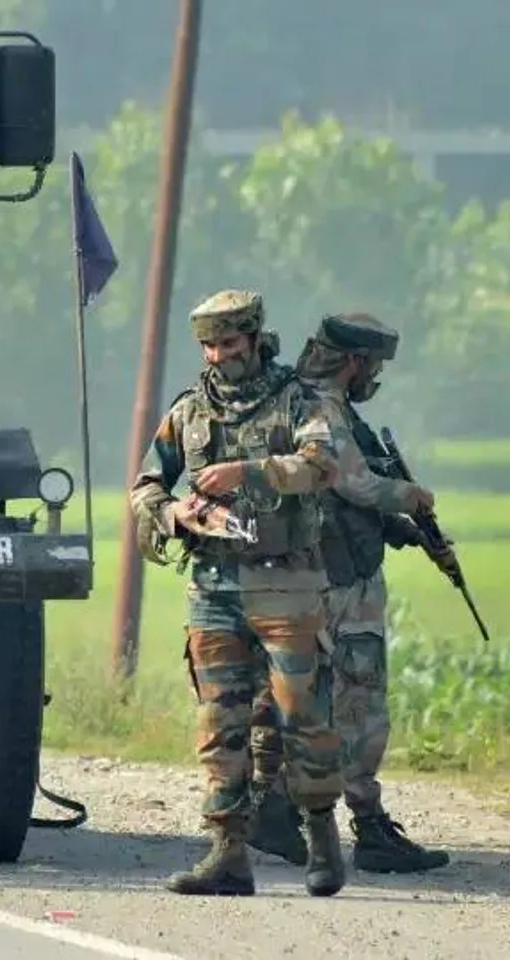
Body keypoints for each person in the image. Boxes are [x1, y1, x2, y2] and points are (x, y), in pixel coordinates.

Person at [129, 289, 346, 898]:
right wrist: (174, 513)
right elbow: (146, 485)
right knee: (218, 721)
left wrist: (248, 472)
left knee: (302, 716)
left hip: (287, 585)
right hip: (213, 585)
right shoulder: (189, 411)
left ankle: (321, 834)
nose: (219, 355)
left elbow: (320, 466)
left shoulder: (297, 400)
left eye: (229, 343)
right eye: (209, 346)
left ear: (253, 338)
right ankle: (227, 852)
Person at [246, 313, 452, 874]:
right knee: (358, 701)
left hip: (296, 578)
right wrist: (412, 496)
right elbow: (353, 483)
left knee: (300, 697)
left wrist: (399, 530)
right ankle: (368, 827)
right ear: (354, 362)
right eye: (374, 366)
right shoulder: (323, 408)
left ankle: (277, 808)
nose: (375, 377)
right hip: (338, 583)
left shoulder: (288, 400)